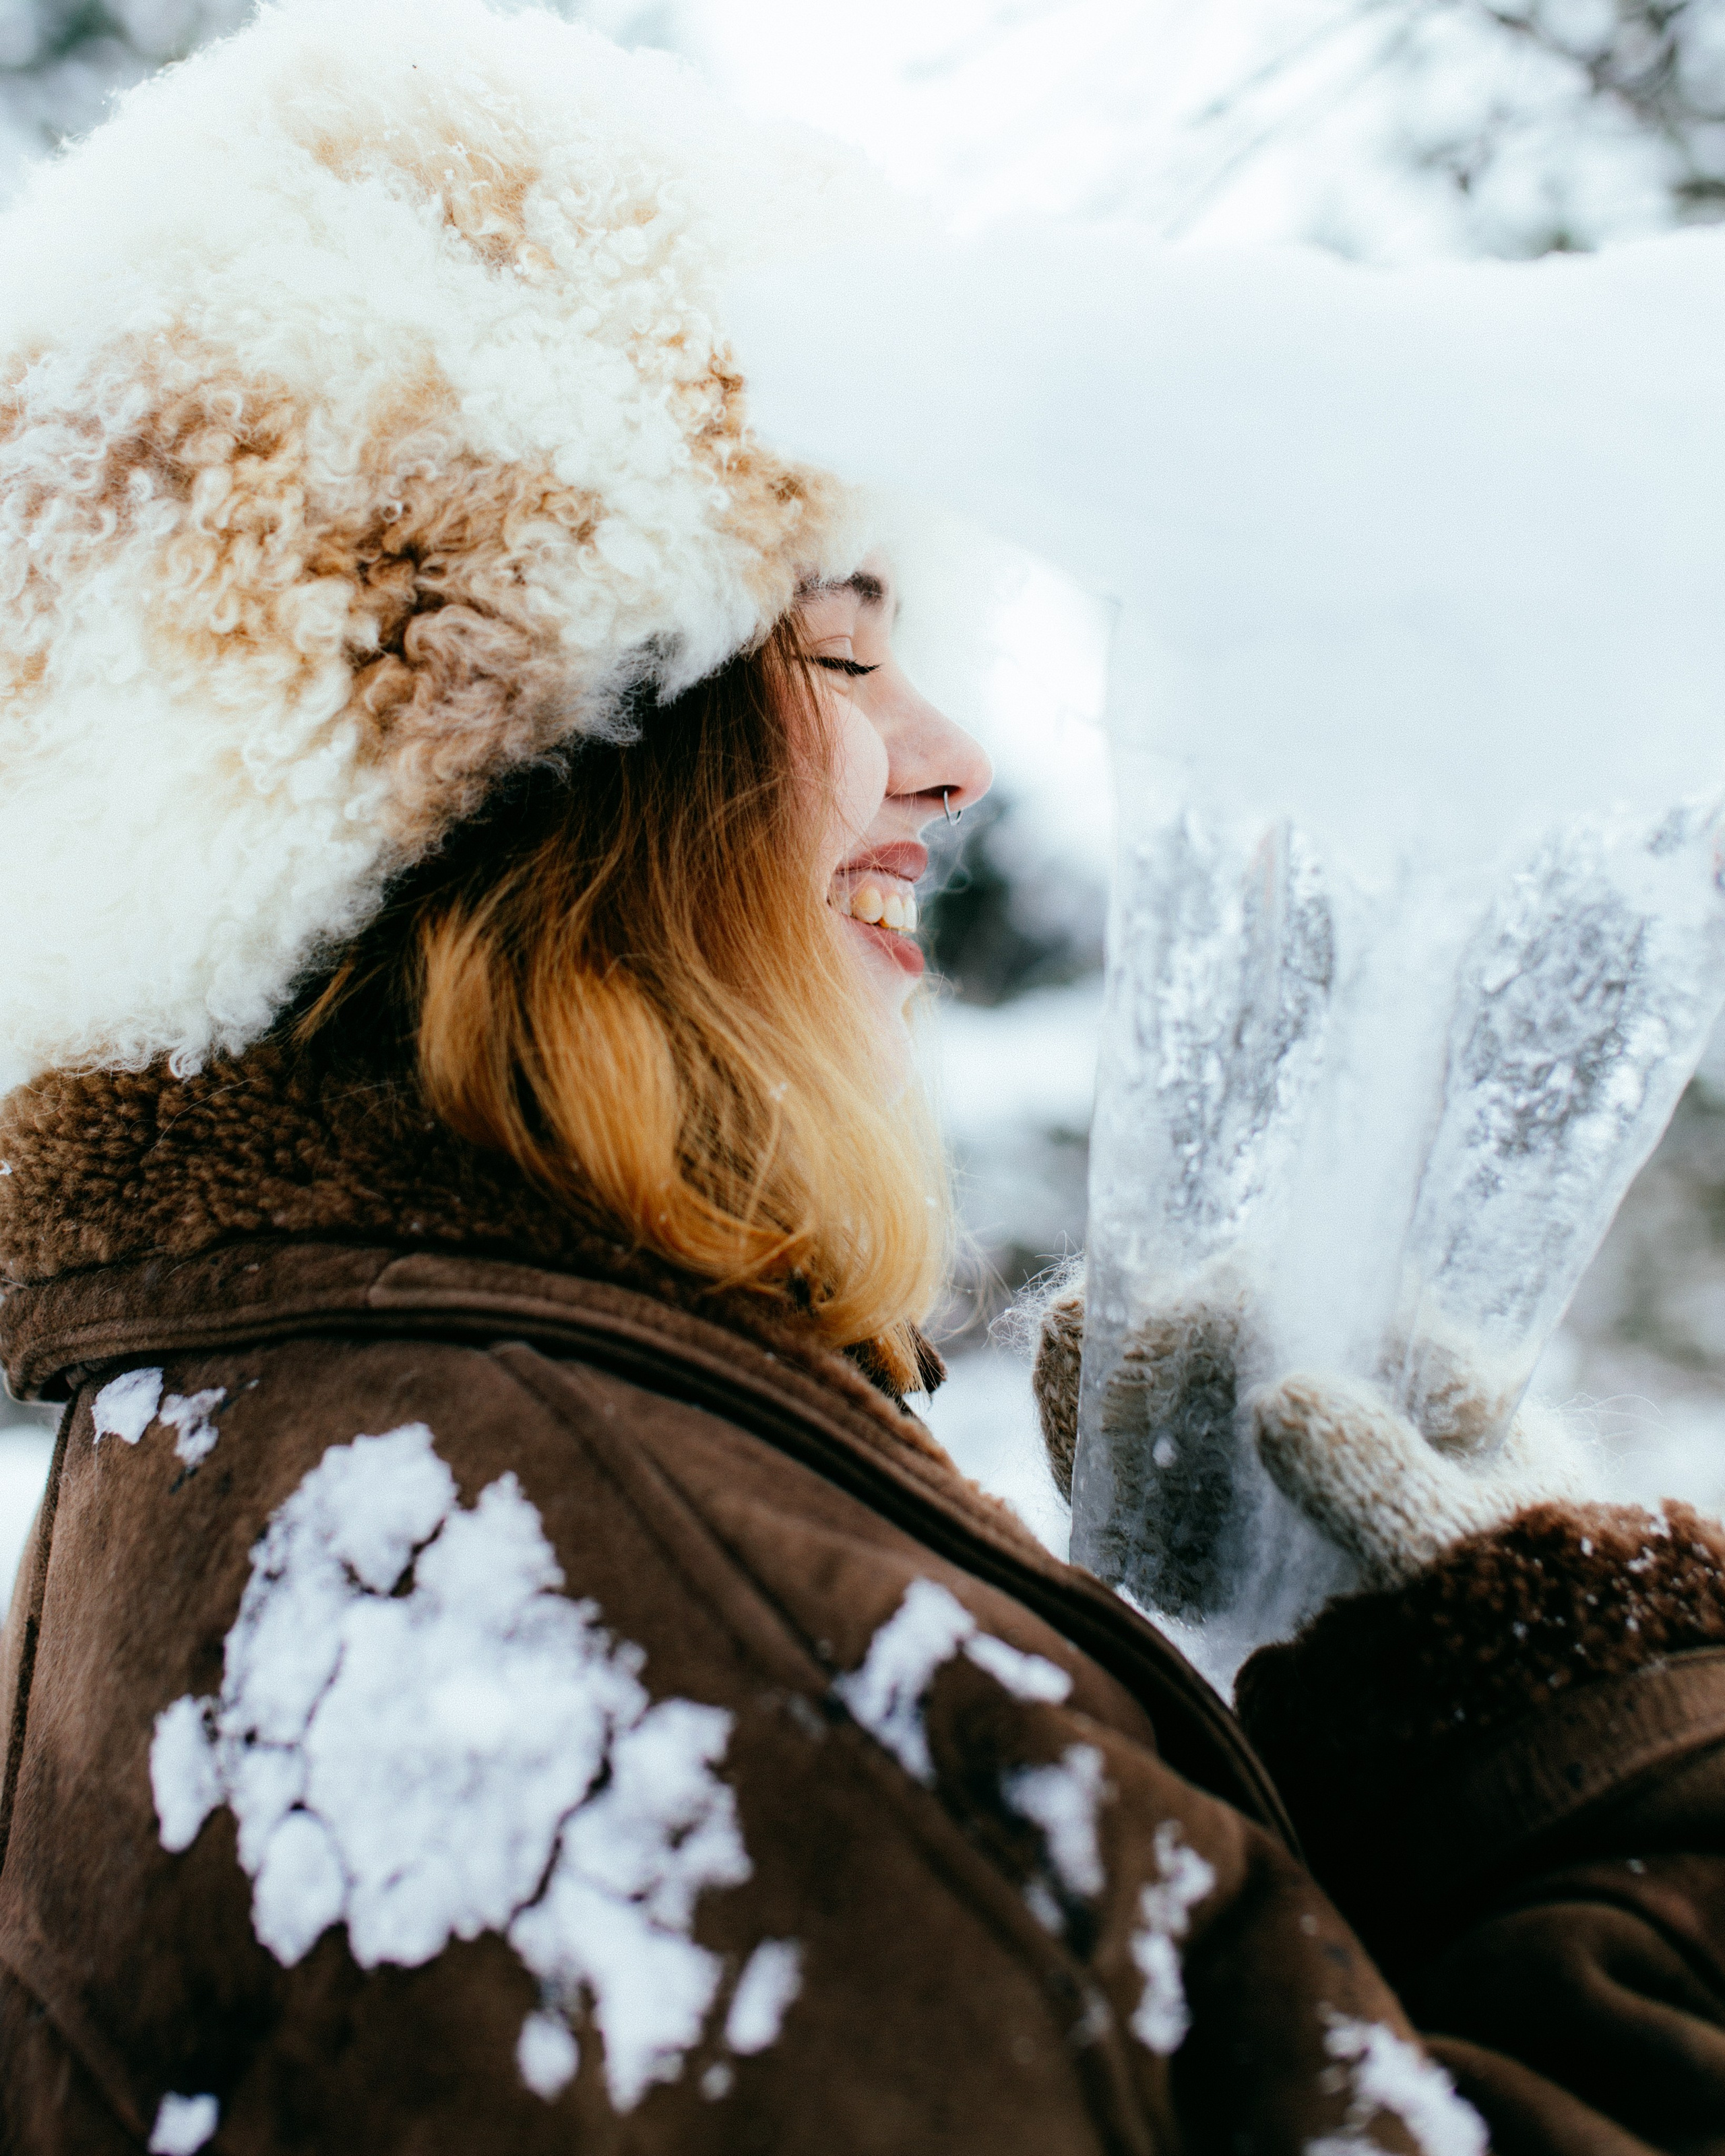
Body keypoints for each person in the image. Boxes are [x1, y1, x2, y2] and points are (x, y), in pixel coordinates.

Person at [2, 4, 1724, 2151]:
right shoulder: (654, 1624)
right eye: (835, 646)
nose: (955, 754)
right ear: (533, 761)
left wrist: (1348, 1728)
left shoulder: (305, 1440)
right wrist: (1621, 1765)